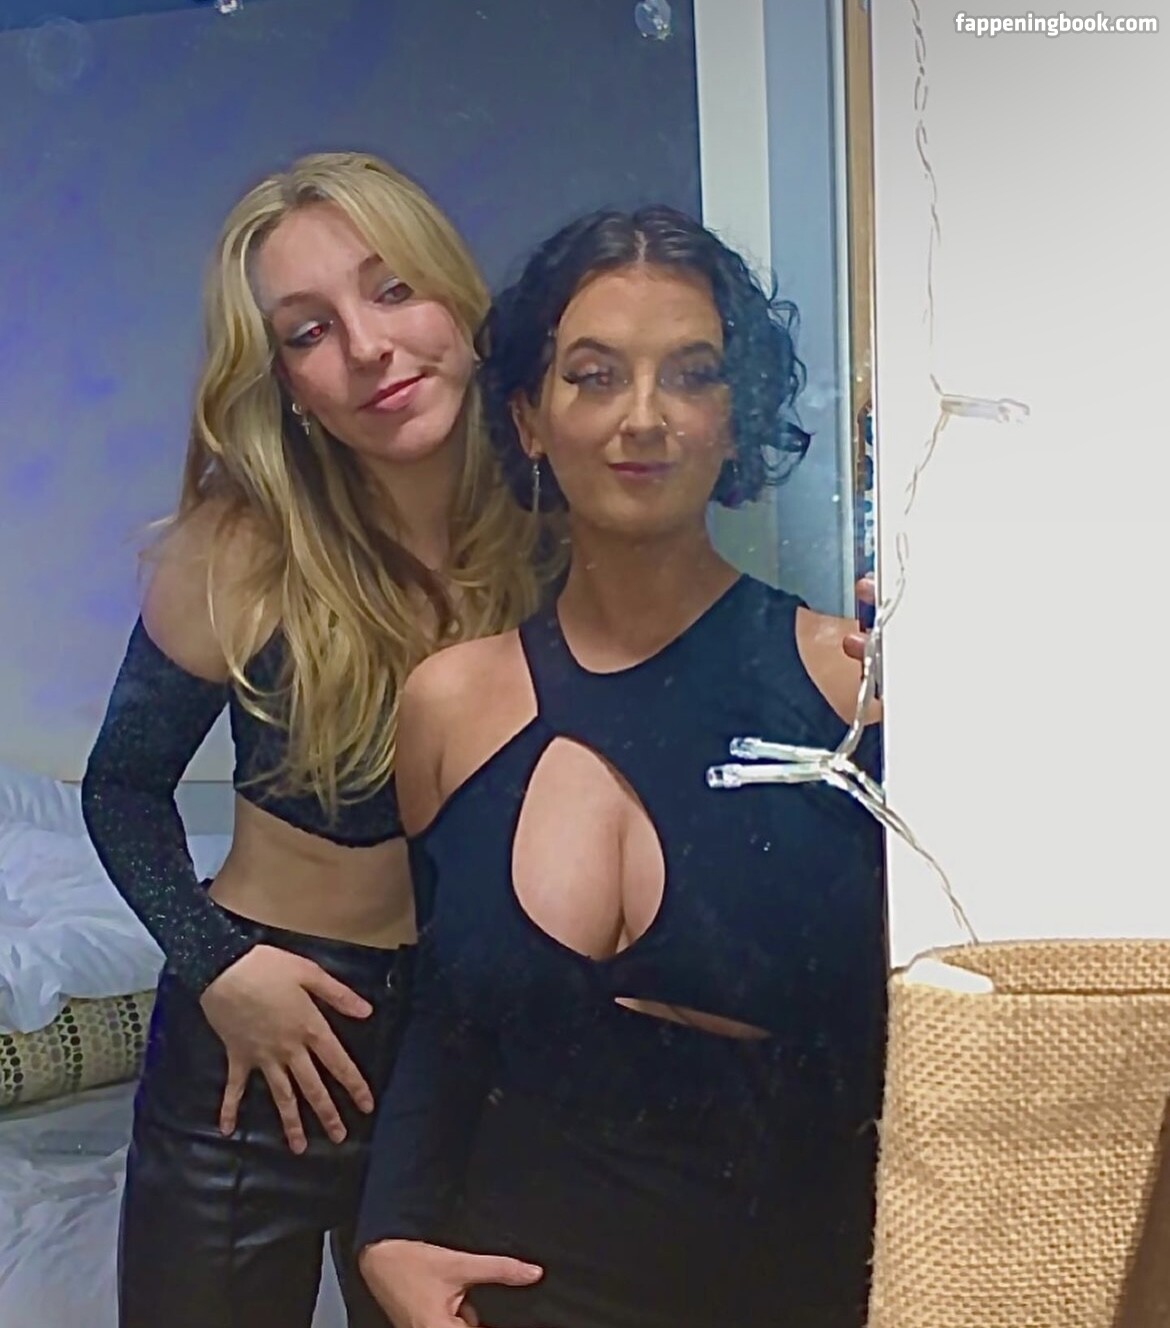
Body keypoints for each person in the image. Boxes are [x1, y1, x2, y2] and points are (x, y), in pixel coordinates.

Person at [354, 206, 887, 1328]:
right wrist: (388, 1231)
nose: (644, 417)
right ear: (529, 419)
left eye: (691, 375)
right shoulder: (451, 705)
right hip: (508, 1296)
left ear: (735, 418)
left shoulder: (849, 693)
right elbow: (443, 1012)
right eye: (595, 377)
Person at [80, 152, 550, 1328]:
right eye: (309, 330)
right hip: (256, 1034)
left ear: (459, 299)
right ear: (287, 382)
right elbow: (123, 786)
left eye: (393, 289)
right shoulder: (241, 545)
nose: (369, 347)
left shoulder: (554, 530)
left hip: (462, 1043)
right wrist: (220, 967)